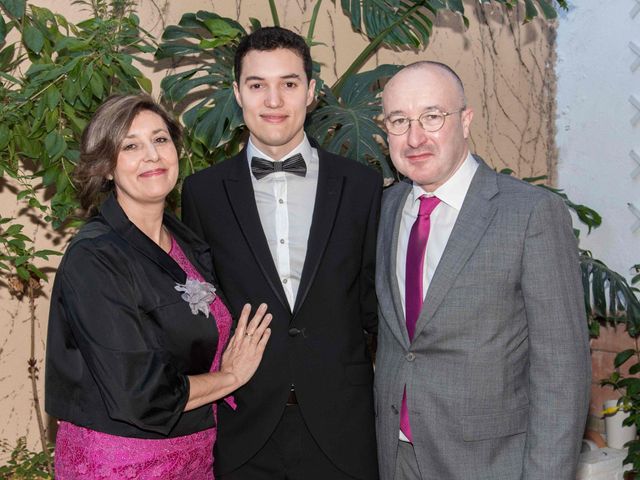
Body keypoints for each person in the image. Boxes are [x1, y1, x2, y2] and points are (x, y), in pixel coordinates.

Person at [374, 61, 591, 480]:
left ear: (466, 120)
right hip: (395, 458)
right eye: (399, 121)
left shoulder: (530, 213)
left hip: (489, 463)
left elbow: (562, 371)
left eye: (432, 117)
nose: (415, 137)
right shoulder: (384, 209)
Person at [181, 26, 380, 480]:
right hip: (245, 427)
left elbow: (374, 308)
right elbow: (200, 313)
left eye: (288, 84)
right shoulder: (202, 193)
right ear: (237, 93)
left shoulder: (363, 187)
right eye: (257, 85)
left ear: (311, 91)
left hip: (344, 429)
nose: (273, 101)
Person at [45, 94, 272, 480]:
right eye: (131, 145)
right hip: (121, 465)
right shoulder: (95, 258)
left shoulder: (186, 241)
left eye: (160, 139)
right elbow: (138, 394)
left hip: (196, 458)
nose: (152, 155)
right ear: (106, 168)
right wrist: (231, 377)